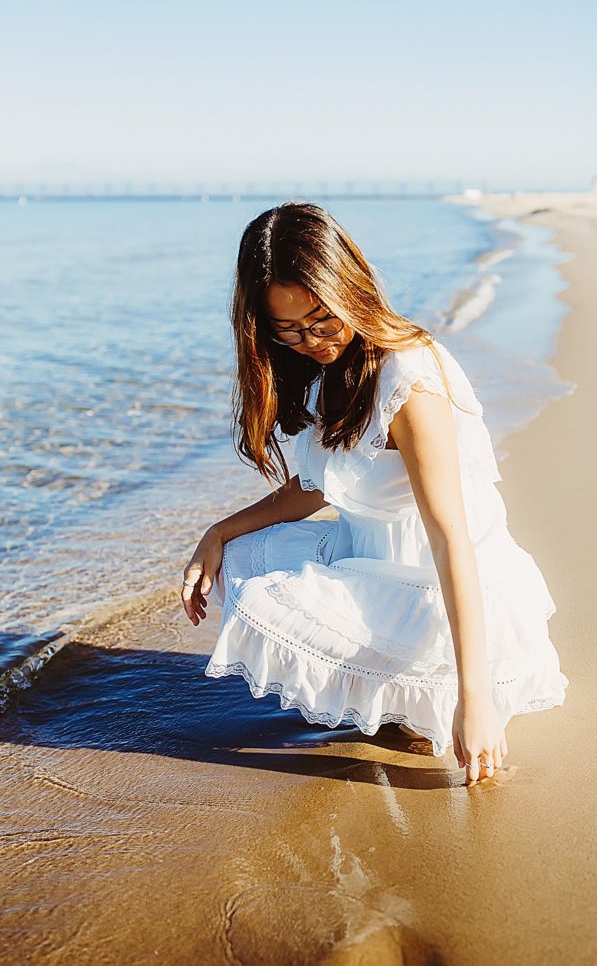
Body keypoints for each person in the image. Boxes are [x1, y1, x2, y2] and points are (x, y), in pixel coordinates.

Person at [180, 202, 567, 785]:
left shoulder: (407, 378)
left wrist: (475, 696)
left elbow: (449, 536)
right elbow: (319, 486)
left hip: (435, 580)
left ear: (350, 288)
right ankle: (386, 685)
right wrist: (217, 531)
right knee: (244, 559)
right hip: (368, 552)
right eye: (285, 329)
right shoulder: (322, 365)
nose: (308, 341)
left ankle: (417, 684)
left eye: (320, 321)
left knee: (277, 597)